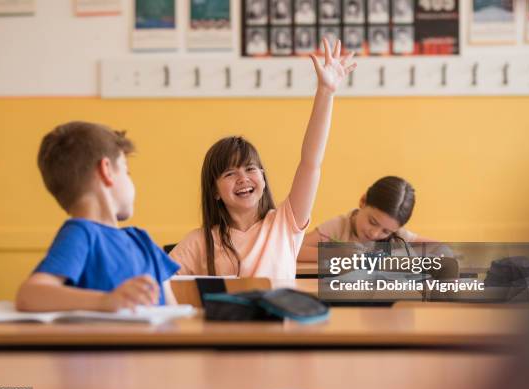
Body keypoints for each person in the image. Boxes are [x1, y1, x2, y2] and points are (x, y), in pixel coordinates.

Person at [170, 39, 357, 279]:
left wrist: (325, 92)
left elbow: (311, 162)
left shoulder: (284, 223)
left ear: (263, 178)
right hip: (228, 318)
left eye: (250, 169)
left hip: (278, 317)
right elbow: (158, 280)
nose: (243, 178)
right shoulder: (200, 241)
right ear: (215, 190)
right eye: (229, 173)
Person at [15, 122, 179, 312]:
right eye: (127, 171)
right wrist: (106, 301)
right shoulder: (81, 234)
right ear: (106, 170)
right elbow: (29, 295)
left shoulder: (143, 241)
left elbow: (174, 312)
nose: (131, 182)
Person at [297, 176, 432, 262]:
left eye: (385, 231)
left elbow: (440, 248)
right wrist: (335, 253)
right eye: (372, 222)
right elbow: (292, 250)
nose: (374, 233)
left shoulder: (397, 235)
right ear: (363, 201)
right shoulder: (339, 226)